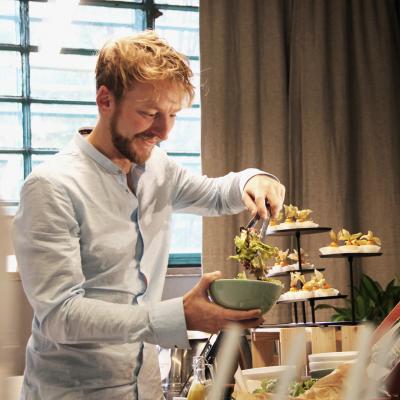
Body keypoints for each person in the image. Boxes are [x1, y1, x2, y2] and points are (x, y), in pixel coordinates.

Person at [12, 31, 285, 400]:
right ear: (105, 99)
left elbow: (218, 193)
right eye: (149, 113)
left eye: (172, 114)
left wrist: (256, 179)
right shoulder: (50, 187)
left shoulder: (158, 168)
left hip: (146, 389)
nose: (164, 131)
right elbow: (62, 315)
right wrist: (180, 316)